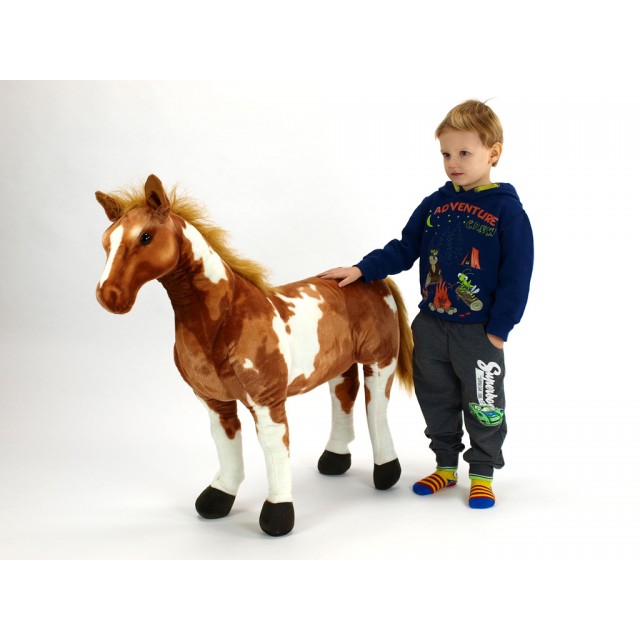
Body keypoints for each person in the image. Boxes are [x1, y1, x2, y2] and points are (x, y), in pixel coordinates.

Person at [320, 99, 534, 509]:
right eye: (446, 154)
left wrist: (499, 329)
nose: (453, 163)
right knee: (436, 399)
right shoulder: (436, 203)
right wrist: (363, 269)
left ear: (494, 152)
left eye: (464, 153)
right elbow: (405, 247)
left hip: (479, 332)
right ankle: (446, 467)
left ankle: (482, 473)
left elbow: (517, 274)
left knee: (484, 404)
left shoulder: (507, 211)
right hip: (431, 326)